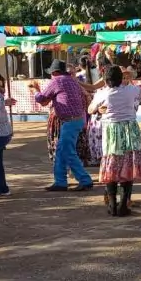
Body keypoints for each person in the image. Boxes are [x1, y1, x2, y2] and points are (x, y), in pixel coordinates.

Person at [88, 67, 141, 216]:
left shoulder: (103, 93)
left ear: (106, 80)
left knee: (111, 166)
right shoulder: (131, 90)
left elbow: (90, 110)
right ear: (120, 78)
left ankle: (112, 205)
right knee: (128, 166)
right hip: (129, 129)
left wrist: (99, 109)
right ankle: (123, 204)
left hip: (111, 131)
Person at [30, 60, 94, 192]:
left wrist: (35, 90)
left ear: (54, 72)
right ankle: (60, 181)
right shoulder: (72, 81)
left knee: (68, 152)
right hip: (77, 119)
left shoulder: (57, 81)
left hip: (70, 121)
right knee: (62, 150)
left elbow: (42, 99)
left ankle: (84, 179)